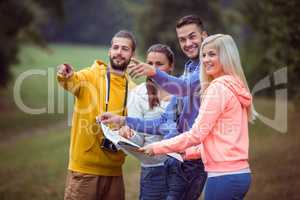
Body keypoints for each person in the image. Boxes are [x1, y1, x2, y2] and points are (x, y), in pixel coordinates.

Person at [100, 15, 208, 200]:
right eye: (182, 39)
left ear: (204, 36)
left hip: (192, 160)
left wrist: (153, 72)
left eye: (192, 37)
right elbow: (163, 121)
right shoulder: (190, 68)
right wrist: (123, 120)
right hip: (176, 162)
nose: (187, 43)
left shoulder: (207, 68)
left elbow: (184, 89)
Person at [141, 34, 255, 200]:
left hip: (223, 177)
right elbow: (220, 140)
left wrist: (157, 147)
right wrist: (188, 153)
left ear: (226, 56)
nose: (206, 60)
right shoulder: (234, 85)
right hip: (239, 174)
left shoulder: (218, 89)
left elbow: (196, 134)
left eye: (212, 54)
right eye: (203, 55)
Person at [57, 30, 136, 200]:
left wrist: (129, 132)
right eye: (115, 47)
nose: (119, 52)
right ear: (109, 51)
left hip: (115, 173)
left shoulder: (134, 90)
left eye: (125, 49)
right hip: (84, 172)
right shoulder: (90, 76)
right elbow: (72, 81)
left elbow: (136, 126)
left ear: (132, 54)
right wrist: (65, 75)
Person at [121, 44, 175, 200]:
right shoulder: (138, 94)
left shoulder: (181, 90)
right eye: (150, 63)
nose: (153, 68)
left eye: (159, 64)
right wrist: (128, 134)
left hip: (182, 170)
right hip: (154, 170)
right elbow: (139, 140)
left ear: (171, 66)